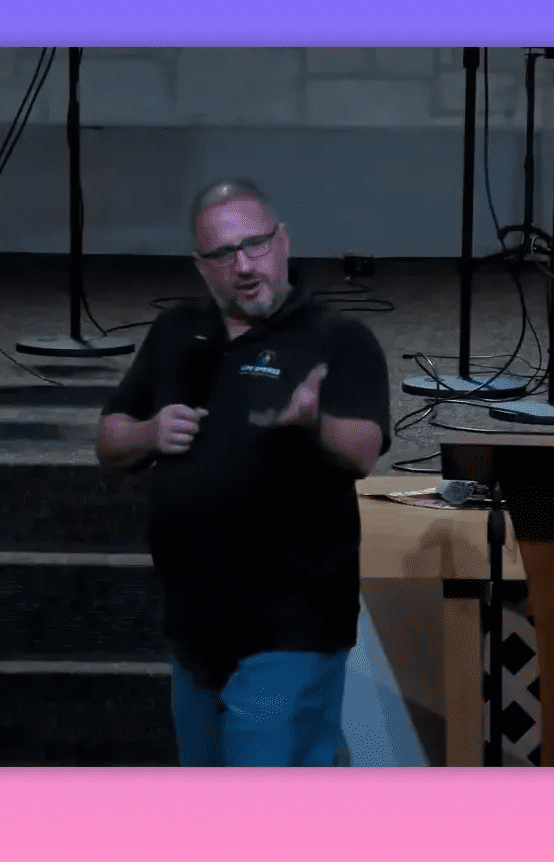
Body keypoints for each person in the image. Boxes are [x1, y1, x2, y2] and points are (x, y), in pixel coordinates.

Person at [96, 179, 391, 766]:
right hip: (196, 631)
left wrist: (312, 423)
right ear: (202, 268)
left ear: (282, 242)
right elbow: (109, 438)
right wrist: (147, 432)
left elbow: (364, 448)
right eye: (224, 255)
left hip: (292, 629)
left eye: (254, 245)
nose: (244, 265)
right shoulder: (178, 333)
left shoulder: (337, 336)